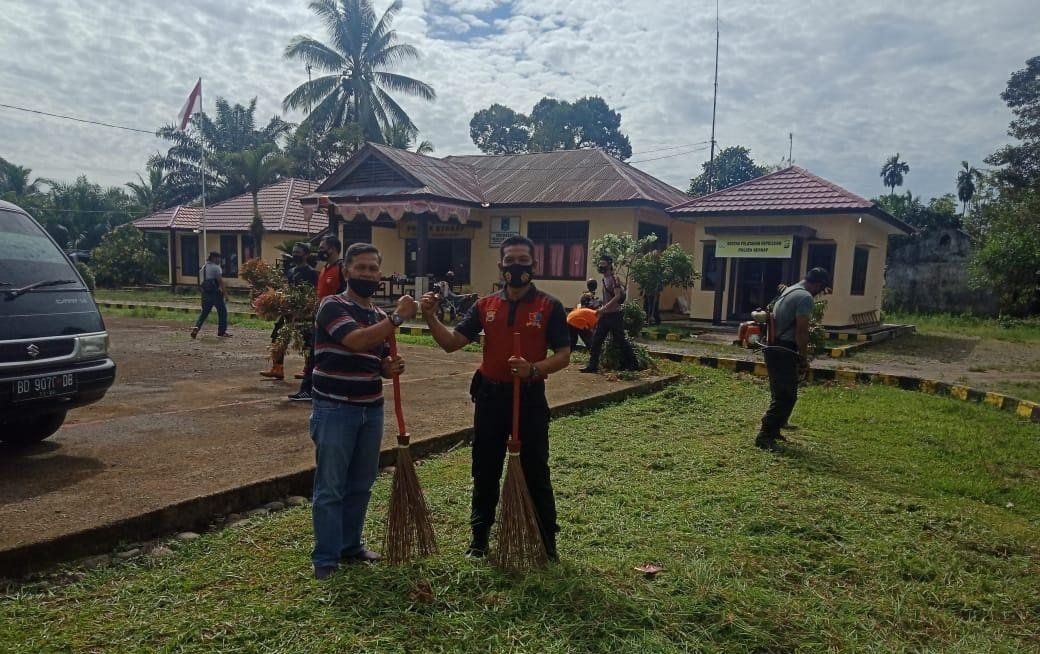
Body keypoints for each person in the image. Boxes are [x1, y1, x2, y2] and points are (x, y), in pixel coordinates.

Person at [420, 235, 571, 560]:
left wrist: (533, 369)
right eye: (510, 261)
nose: (516, 267)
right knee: (485, 470)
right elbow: (451, 343)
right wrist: (430, 317)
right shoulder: (484, 305)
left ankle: (547, 545)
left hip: (529, 399)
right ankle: (478, 540)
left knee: (536, 472)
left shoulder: (550, 306)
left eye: (523, 261)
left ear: (533, 265)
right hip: (490, 398)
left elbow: (563, 355)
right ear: (501, 265)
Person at [310, 242, 417, 580]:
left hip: (371, 409)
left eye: (373, 269)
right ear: (346, 270)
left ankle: (350, 545)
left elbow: (376, 360)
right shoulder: (332, 305)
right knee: (330, 487)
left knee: (361, 483)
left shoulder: (377, 316)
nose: (368, 274)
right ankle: (326, 558)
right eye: (361, 268)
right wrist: (398, 317)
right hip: (335, 409)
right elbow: (355, 341)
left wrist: (390, 367)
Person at [755, 267, 830, 452]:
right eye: (822, 289)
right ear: (818, 284)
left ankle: (774, 430)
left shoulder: (791, 289)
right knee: (786, 395)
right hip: (783, 349)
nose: (820, 293)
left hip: (773, 346)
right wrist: (803, 358)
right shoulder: (805, 297)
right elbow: (802, 331)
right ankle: (764, 435)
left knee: (782, 392)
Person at [289, 236, 344, 402]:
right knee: (315, 355)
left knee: (328, 357)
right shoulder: (324, 270)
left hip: (335, 321)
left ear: (333, 249)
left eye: (322, 248)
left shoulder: (341, 269)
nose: (319, 251)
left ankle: (316, 389)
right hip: (320, 319)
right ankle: (309, 389)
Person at [261, 243, 318, 383]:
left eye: (298, 252)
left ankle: (307, 369)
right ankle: (277, 368)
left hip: (303, 313)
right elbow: (287, 289)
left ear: (306, 254)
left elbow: (311, 293)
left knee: (306, 341)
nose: (295, 254)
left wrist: (304, 309)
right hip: (287, 311)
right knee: (278, 337)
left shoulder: (310, 272)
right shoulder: (291, 271)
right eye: (294, 252)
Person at [580, 255, 636, 373]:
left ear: (610, 265)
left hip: (615, 315)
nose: (601, 266)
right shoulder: (604, 279)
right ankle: (592, 366)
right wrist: (602, 309)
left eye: (603, 264)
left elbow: (617, 296)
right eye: (600, 263)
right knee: (596, 340)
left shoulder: (614, 278)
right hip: (605, 315)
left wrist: (603, 308)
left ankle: (632, 364)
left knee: (620, 340)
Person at [190, 252, 230, 339]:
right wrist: (226, 294)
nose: (220, 260)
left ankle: (196, 327)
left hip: (205, 294)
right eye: (218, 258)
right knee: (222, 312)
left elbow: (200, 283)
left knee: (204, 313)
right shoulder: (216, 268)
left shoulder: (202, 269)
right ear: (213, 258)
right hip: (215, 293)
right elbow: (220, 281)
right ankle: (222, 332)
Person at [567, 279, 601, 350]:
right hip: (582, 320)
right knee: (588, 339)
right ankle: (593, 353)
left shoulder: (583, 297)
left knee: (573, 339)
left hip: (572, 317)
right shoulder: (595, 299)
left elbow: (581, 308)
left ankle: (566, 353)